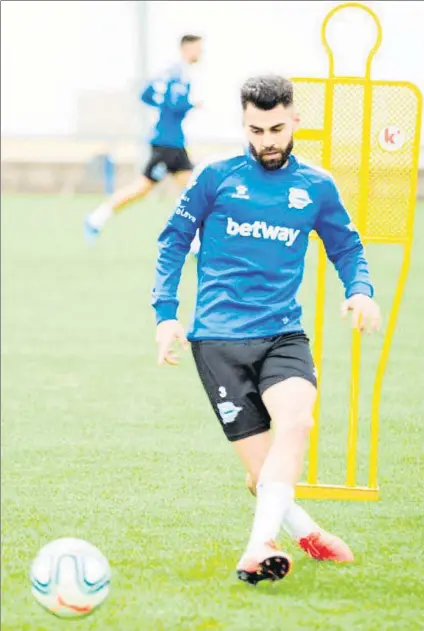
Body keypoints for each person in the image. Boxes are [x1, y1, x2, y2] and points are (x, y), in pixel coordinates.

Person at [152, 75, 381, 585]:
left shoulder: (316, 186)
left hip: (283, 335)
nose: (267, 141)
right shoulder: (215, 178)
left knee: (296, 425)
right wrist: (166, 315)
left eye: (277, 128)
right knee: (263, 477)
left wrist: (359, 289)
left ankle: (259, 546)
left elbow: (347, 247)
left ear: (295, 119)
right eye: (256, 130)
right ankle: (308, 532)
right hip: (217, 343)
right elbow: (172, 243)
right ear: (244, 124)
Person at [84, 34, 203, 255]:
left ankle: (195, 245)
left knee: (192, 190)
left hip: (174, 142)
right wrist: (191, 104)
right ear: (187, 49)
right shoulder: (179, 74)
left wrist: (164, 104)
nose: (201, 53)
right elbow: (175, 103)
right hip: (167, 144)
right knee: (143, 188)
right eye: (198, 48)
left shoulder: (173, 72)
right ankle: (96, 218)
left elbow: (147, 94)